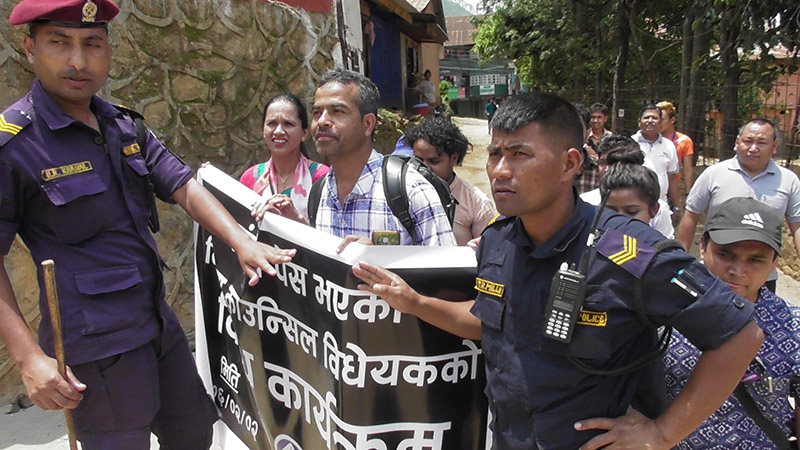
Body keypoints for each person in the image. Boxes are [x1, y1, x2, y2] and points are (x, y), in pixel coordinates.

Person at [351, 92, 763, 449]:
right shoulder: (499, 240)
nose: (499, 171)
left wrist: (661, 434)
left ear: (569, 164)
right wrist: (416, 302)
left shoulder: (627, 251)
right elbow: (489, 322)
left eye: (520, 155)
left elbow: (740, 335)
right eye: (495, 153)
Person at [0, 2, 296, 449]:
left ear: (108, 51)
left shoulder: (121, 125)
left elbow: (183, 186)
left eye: (91, 44)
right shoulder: (15, 146)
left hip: (157, 327)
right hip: (96, 350)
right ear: (29, 48)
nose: (78, 61)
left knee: (194, 431)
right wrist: (28, 358)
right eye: (60, 43)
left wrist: (240, 240)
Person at [665, 197, 800, 449]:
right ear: (703, 247)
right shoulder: (663, 317)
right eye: (726, 254)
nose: (737, 270)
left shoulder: (793, 327)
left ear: (774, 263)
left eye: (755, 260)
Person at [308, 68, 456, 248]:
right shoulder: (317, 194)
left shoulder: (411, 190)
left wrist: (383, 261)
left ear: (368, 123)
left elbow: (445, 271)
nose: (322, 121)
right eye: (316, 113)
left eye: (338, 111)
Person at [677, 118, 800, 292]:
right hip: (716, 272)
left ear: (774, 147)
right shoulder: (714, 174)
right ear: (737, 143)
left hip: (761, 277)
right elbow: (691, 216)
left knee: (757, 318)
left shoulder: (788, 181)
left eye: (762, 143)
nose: (753, 148)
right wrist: (681, 258)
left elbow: (797, 227)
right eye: (748, 141)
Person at [406, 116, 496, 245]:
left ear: (454, 159)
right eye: (418, 161)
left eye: (434, 161)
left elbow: (488, 252)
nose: (424, 168)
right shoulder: (400, 195)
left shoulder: (476, 203)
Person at [239, 93, 329, 220]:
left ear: (304, 133)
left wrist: (297, 219)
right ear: (263, 131)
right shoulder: (251, 178)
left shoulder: (322, 178)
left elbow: (329, 234)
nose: (279, 131)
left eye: (288, 124)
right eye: (272, 123)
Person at [581, 134, 674, 238]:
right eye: (603, 162)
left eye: (631, 212)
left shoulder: (659, 210)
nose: (608, 169)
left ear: (653, 210)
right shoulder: (584, 203)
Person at [632, 105, 681, 215]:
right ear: (639, 122)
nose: (650, 121)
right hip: (634, 207)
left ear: (661, 122)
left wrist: (677, 206)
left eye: (654, 118)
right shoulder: (629, 143)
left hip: (661, 207)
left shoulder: (669, 146)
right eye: (646, 118)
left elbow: (672, 178)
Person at [657, 101, 694, 193]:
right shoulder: (650, 139)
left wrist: (688, 193)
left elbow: (688, 169)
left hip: (673, 188)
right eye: (657, 119)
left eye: (662, 119)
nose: (659, 123)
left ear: (672, 120)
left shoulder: (684, 141)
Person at [573, 102, 600, 194]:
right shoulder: (545, 168)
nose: (570, 134)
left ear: (588, 132)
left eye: (578, 128)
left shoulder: (599, 171)